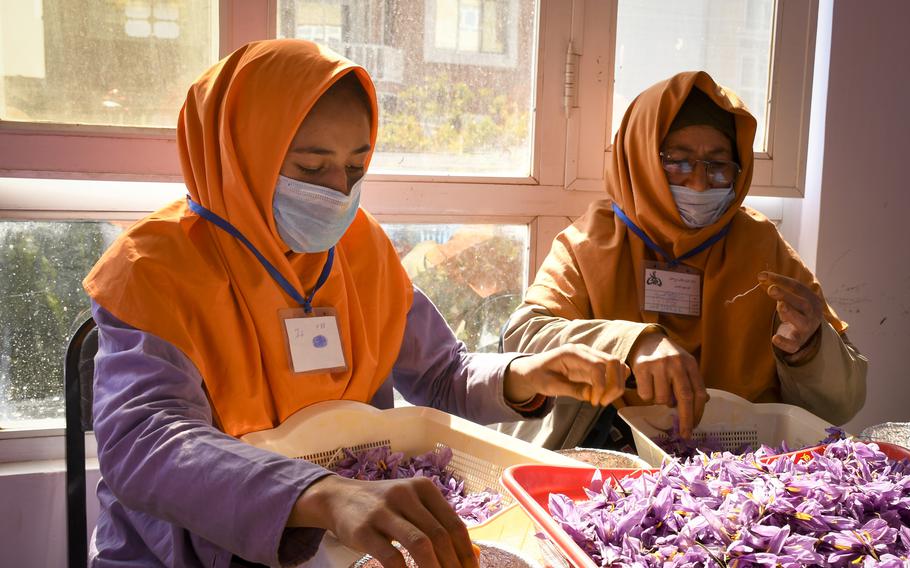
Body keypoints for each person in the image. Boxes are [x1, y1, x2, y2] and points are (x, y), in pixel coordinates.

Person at [82, 40, 628, 568]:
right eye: (312, 168)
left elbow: (440, 373)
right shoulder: (153, 267)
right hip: (189, 547)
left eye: (356, 167)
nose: (338, 191)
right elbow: (145, 440)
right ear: (239, 154)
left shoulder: (360, 249)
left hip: (347, 540)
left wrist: (524, 374)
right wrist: (320, 494)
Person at [495, 71, 867, 450]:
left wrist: (809, 349)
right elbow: (522, 341)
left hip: (743, 468)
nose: (700, 184)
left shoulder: (760, 246)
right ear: (640, 157)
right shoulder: (591, 245)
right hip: (613, 460)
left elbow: (844, 401)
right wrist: (630, 344)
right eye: (679, 161)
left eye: (718, 165)